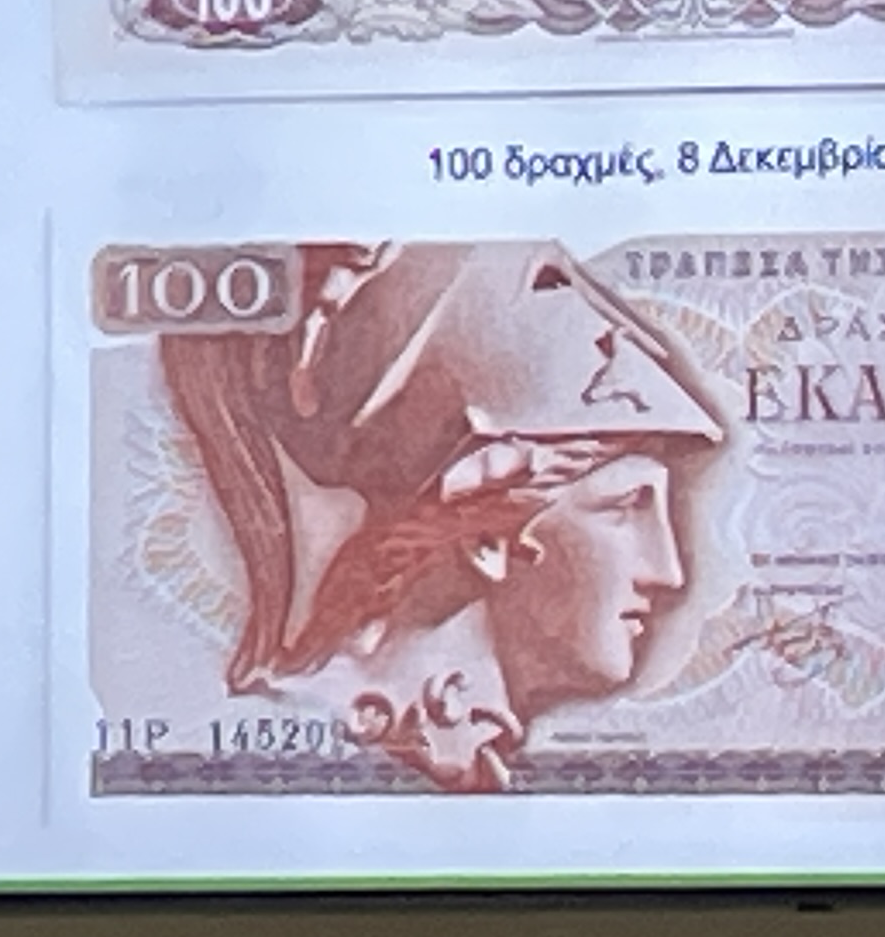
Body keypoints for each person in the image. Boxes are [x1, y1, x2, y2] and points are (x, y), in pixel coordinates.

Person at [156, 240, 725, 790]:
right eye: (624, 508)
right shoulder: (321, 732)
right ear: (486, 537)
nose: (669, 573)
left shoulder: (432, 748)